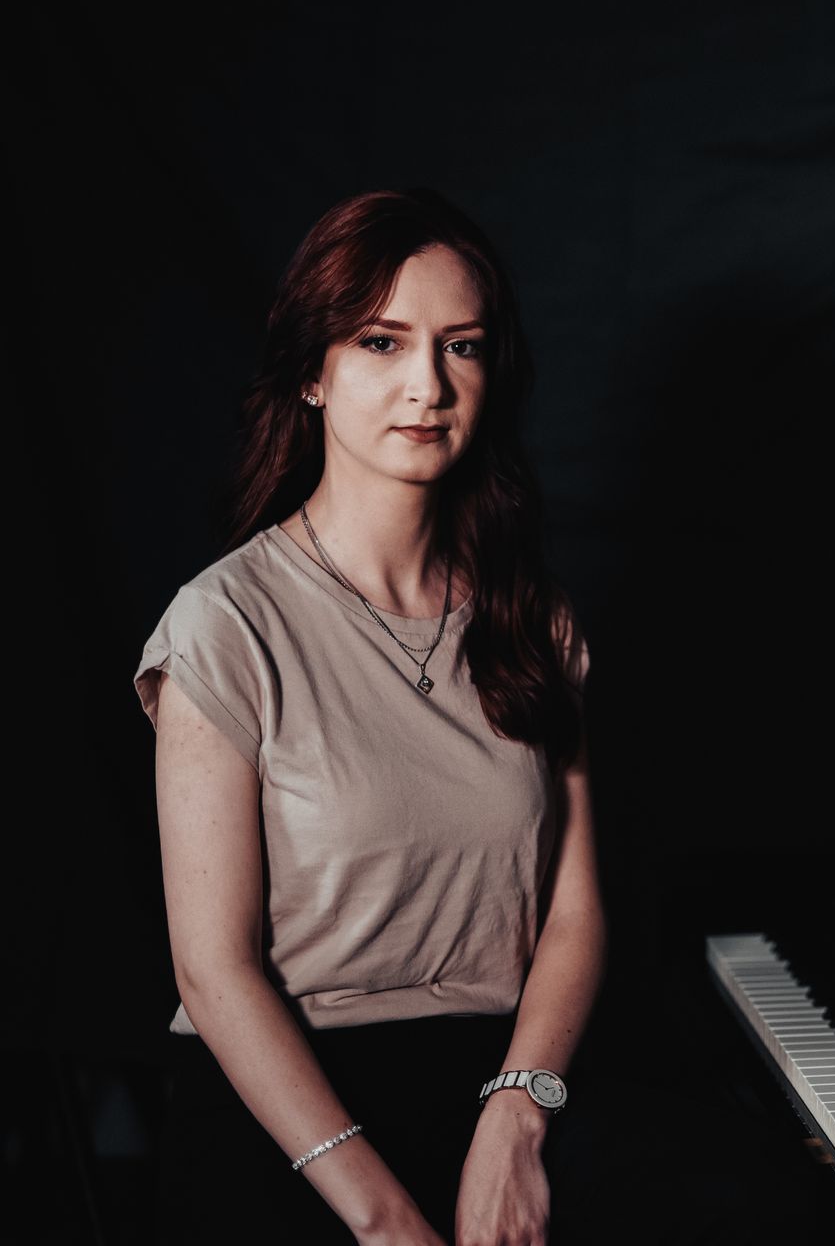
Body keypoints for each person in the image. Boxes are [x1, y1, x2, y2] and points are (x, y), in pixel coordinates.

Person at [133, 188, 605, 1244]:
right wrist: (386, 1218)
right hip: (287, 1106)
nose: (427, 385)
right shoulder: (224, 623)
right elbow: (213, 968)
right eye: (381, 342)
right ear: (313, 370)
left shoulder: (534, 616)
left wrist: (519, 1113)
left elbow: (573, 916)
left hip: (501, 1076)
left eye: (461, 346)